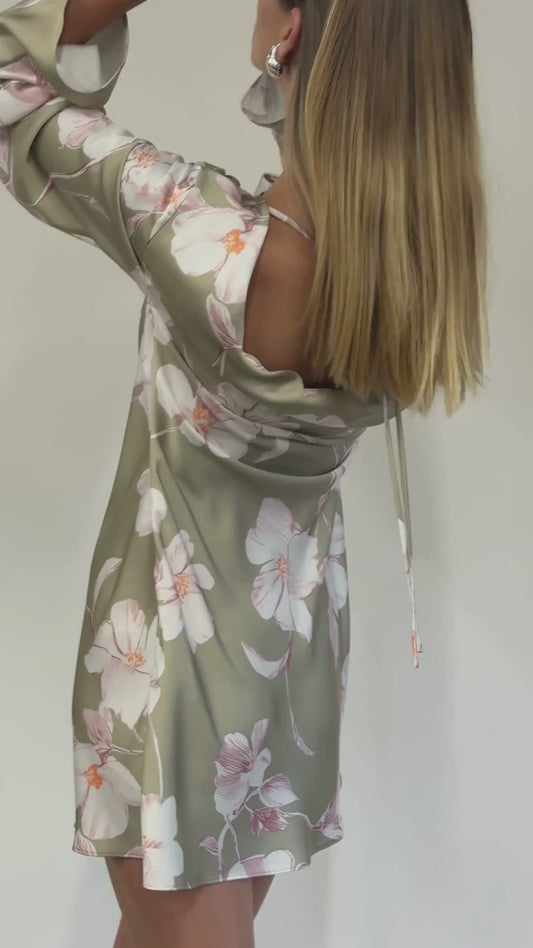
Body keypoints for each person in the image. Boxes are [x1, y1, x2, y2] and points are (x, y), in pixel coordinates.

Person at [0, 0, 488, 945]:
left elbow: (11, 86)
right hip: (287, 671)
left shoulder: (209, 238)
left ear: (291, 30)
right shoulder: (407, 276)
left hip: (174, 680)